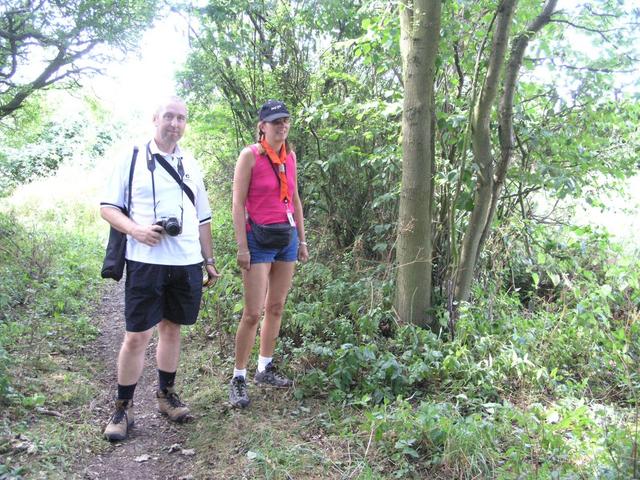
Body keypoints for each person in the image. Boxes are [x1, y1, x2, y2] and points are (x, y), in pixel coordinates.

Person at [100, 96, 220, 441]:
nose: (175, 124)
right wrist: (136, 229)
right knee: (137, 335)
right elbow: (108, 208)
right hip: (145, 261)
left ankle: (166, 395)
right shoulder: (133, 156)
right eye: (169, 116)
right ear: (155, 118)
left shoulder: (191, 162)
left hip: (185, 262)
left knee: (172, 329)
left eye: (181, 118)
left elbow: (203, 217)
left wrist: (208, 260)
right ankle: (123, 407)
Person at [228, 99, 309, 408]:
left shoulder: (290, 156)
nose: (282, 126)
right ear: (262, 126)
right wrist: (242, 247)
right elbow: (237, 204)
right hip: (258, 239)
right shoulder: (249, 156)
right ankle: (238, 376)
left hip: (286, 238)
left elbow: (296, 200)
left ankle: (265, 366)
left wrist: (302, 240)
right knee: (252, 313)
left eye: (285, 121)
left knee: (275, 307)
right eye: (276, 122)